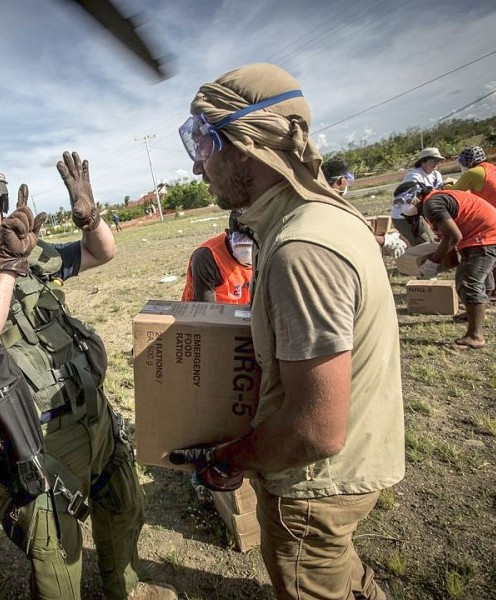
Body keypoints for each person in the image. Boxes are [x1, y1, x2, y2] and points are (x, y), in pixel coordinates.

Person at [170, 63, 404, 600]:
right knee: (343, 573)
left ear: (244, 145)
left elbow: (315, 429)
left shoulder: (300, 250)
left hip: (314, 484)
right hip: (351, 465)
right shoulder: (326, 217)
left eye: (205, 145)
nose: (200, 168)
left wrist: (230, 459)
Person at [0, 153, 176, 600]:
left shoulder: (26, 250)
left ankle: (128, 590)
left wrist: (91, 218)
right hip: (38, 442)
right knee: (57, 562)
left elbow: (101, 252)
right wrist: (6, 264)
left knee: (124, 510)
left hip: (94, 413)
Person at [397, 181, 496, 349]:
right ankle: (475, 313)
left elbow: (453, 237)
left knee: (468, 281)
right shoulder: (435, 199)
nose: (403, 207)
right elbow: (451, 233)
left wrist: (432, 262)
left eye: (402, 202)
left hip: (486, 237)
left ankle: (475, 336)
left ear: (415, 196)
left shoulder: (431, 204)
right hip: (492, 232)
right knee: (477, 275)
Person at [447, 146, 496, 295]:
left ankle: (494, 292)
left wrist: (446, 185)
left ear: (468, 161)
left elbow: (454, 191)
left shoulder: (473, 172)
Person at [322, 158, 407, 259]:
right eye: (348, 180)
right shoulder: (331, 206)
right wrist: (385, 241)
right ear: (341, 181)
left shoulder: (320, 199)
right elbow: (350, 236)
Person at [180, 209, 252, 303]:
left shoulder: (267, 247)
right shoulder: (207, 258)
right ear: (228, 234)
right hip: (211, 312)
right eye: (241, 244)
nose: (248, 251)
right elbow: (206, 310)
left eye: (252, 242)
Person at [392, 147, 446, 245]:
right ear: (423, 162)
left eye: (438, 161)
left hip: (421, 214)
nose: (436, 164)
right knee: (423, 244)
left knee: (432, 243)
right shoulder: (414, 176)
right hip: (405, 217)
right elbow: (411, 201)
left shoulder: (437, 175)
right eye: (433, 161)